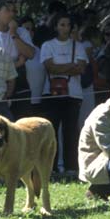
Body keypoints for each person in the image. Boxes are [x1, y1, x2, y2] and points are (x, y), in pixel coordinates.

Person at [41, 12, 88, 175]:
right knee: (51, 132)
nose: (65, 28)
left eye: (68, 25)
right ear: (56, 26)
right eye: (62, 24)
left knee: (71, 132)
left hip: (73, 94)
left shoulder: (78, 46)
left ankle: (71, 168)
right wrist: (71, 66)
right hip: (52, 94)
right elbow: (49, 67)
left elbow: (81, 68)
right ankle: (51, 168)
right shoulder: (47, 45)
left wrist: (60, 66)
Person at [0, 0, 35, 120]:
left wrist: (13, 33)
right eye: (7, 10)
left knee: (22, 123)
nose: (11, 14)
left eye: (14, 11)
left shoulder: (22, 32)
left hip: (21, 83)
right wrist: (18, 63)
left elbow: (30, 54)